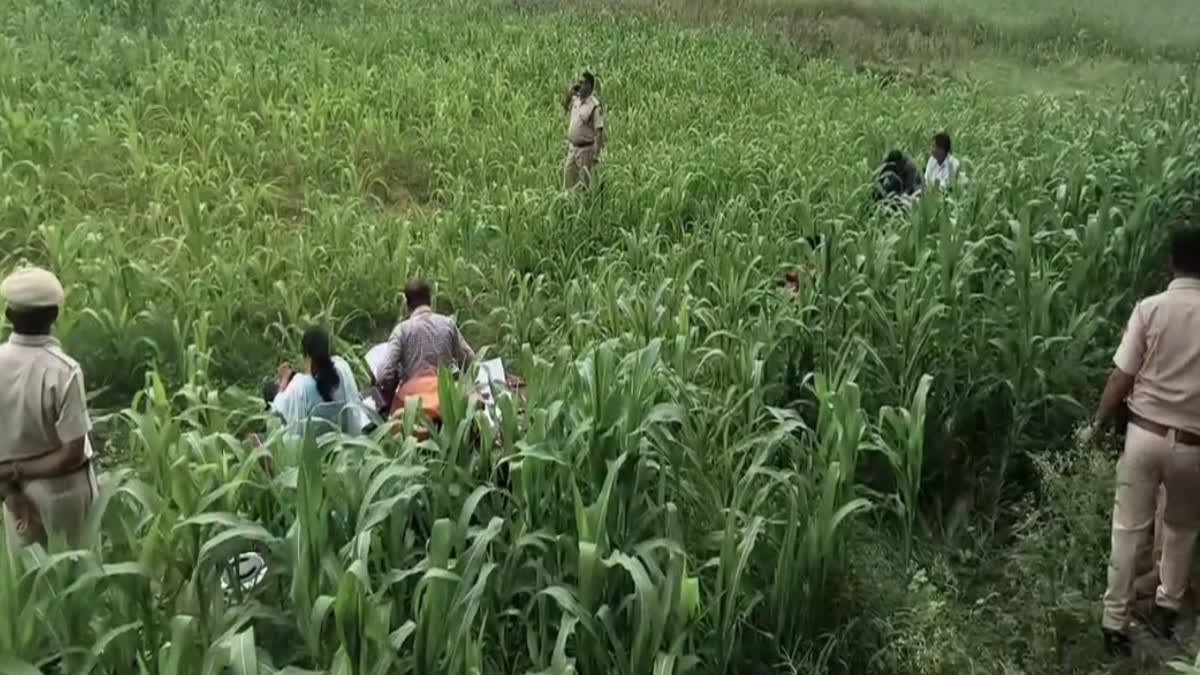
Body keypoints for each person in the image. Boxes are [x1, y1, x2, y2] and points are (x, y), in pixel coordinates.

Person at [1084, 224, 1200, 657]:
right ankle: (1166, 608)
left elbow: (1122, 376)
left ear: (1171, 263)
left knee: (1127, 530)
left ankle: (1114, 624)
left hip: (1144, 435)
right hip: (1193, 444)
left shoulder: (1150, 309)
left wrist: (1098, 423)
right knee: (1181, 528)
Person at [0, 266, 98, 549]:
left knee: (27, 572)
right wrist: (17, 470)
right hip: (62, 494)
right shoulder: (63, 371)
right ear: (54, 316)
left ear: (8, 315)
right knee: (74, 568)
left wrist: (9, 485)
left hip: (13, 496)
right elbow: (72, 453)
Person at [374, 280, 474, 418]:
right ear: (430, 300)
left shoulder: (402, 331)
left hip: (413, 406)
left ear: (407, 304)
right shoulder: (448, 324)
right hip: (446, 401)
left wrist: (393, 386)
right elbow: (469, 359)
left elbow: (384, 375)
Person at [268, 327, 370, 435]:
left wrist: (284, 382)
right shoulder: (342, 370)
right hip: (342, 439)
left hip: (315, 444)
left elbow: (276, 411)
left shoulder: (300, 386)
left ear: (306, 354)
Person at [561, 71, 606, 190]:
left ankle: (583, 201)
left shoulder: (594, 106)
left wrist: (596, 154)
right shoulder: (576, 100)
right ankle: (569, 200)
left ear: (589, 86)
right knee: (568, 179)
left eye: (582, 83)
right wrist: (570, 92)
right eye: (578, 82)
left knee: (583, 183)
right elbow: (565, 105)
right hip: (572, 148)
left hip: (585, 150)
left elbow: (599, 131)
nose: (579, 85)